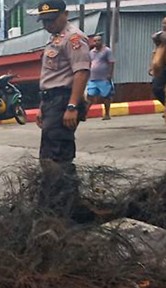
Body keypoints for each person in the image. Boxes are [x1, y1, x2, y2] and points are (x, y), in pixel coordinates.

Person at [35, 0, 91, 216]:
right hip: (51, 101)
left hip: (63, 101)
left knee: (59, 155)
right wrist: (42, 106)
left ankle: (64, 208)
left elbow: (81, 72)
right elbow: (51, 76)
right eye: (44, 21)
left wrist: (72, 106)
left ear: (65, 14)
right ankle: (54, 204)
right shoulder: (55, 38)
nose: (47, 24)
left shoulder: (73, 38)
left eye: (51, 19)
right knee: (48, 154)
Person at [86, 34, 115, 120]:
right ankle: (84, 114)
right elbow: (89, 63)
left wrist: (110, 74)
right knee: (89, 96)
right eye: (95, 41)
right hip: (92, 78)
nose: (96, 42)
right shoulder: (91, 52)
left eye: (98, 40)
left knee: (106, 96)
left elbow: (111, 62)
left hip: (103, 78)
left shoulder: (107, 51)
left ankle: (107, 114)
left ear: (102, 41)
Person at [150, 17, 166, 119]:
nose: (164, 25)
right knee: (157, 88)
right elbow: (155, 50)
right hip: (162, 66)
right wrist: (151, 66)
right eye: (163, 23)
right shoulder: (160, 36)